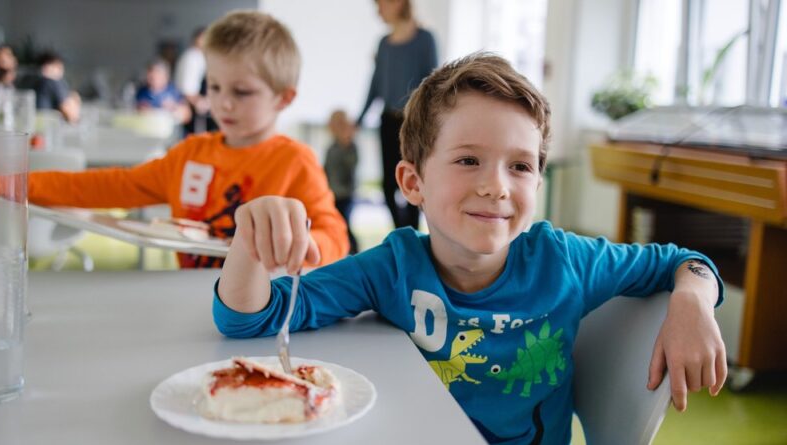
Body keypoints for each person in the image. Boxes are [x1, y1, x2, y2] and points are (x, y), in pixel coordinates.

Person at [213, 53, 727, 444]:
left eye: (520, 166)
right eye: (468, 161)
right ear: (412, 183)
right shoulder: (392, 267)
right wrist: (249, 245)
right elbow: (251, 320)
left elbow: (687, 261)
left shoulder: (564, 260)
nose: (497, 186)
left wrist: (692, 299)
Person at [27, 10, 349, 269]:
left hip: (262, 314)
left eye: (241, 91)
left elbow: (335, 236)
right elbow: (108, 185)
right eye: (214, 86)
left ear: (283, 98)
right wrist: (17, 185)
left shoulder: (295, 161)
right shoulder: (190, 155)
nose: (223, 102)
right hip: (192, 304)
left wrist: (308, 244)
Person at [357, 0, 437, 230]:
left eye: (381, 4)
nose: (378, 10)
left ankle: (413, 234)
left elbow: (431, 83)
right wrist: (359, 120)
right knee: (387, 186)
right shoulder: (383, 44)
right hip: (387, 122)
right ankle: (402, 233)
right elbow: (375, 86)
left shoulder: (425, 39)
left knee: (413, 181)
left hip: (412, 123)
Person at [323, 109, 359, 254]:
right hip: (332, 193)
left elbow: (352, 164)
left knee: (345, 225)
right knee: (335, 224)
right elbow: (326, 169)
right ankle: (338, 251)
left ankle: (355, 252)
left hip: (345, 194)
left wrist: (346, 144)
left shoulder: (350, 146)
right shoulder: (331, 147)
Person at [174, 27, 217, 135]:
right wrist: (200, 103)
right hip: (192, 109)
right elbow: (187, 88)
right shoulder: (192, 57)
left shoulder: (201, 56)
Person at [135, 59, 191, 124]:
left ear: (165, 76)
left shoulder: (173, 91)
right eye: (150, 75)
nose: (153, 78)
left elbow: (187, 115)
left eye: (157, 74)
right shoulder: (142, 91)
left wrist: (174, 108)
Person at [33, 51, 81, 123]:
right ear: (46, 67)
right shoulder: (52, 81)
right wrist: (75, 100)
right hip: (47, 128)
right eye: (58, 67)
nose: (61, 71)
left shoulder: (33, 81)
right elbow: (72, 116)